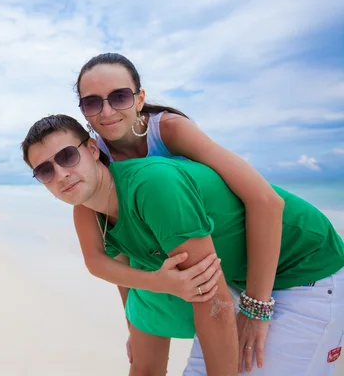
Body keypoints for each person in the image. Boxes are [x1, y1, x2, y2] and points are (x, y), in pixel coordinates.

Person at [21, 114, 344, 375]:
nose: (61, 174)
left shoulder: (152, 186)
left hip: (306, 268)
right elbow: (102, 265)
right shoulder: (88, 210)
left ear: (92, 149)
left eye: (67, 156)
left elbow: (209, 295)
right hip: (241, 282)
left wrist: (255, 309)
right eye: (45, 171)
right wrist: (153, 291)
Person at [70, 53, 285, 374]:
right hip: (204, 269)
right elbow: (120, 250)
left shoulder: (169, 130)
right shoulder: (96, 160)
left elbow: (266, 201)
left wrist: (256, 308)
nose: (107, 111)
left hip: (251, 258)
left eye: (119, 97)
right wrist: (136, 324)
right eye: (92, 103)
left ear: (139, 98)